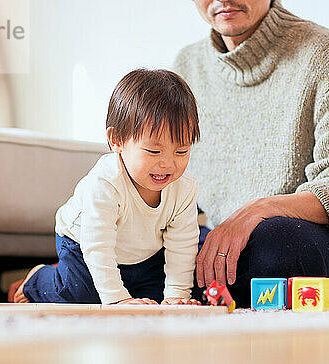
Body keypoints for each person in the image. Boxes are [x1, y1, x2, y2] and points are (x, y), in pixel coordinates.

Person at [173, 0, 329, 307]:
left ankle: (213, 289)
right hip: (224, 243)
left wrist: (259, 210)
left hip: (320, 243)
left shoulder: (322, 53)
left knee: (274, 247)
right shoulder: (186, 67)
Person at [12, 68, 202, 305]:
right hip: (84, 244)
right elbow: (98, 246)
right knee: (80, 294)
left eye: (181, 151)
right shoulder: (106, 182)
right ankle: (39, 278)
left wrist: (176, 297)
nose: (168, 163)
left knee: (152, 300)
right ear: (116, 141)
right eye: (154, 151)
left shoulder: (184, 189)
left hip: (141, 254)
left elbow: (182, 246)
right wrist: (116, 300)